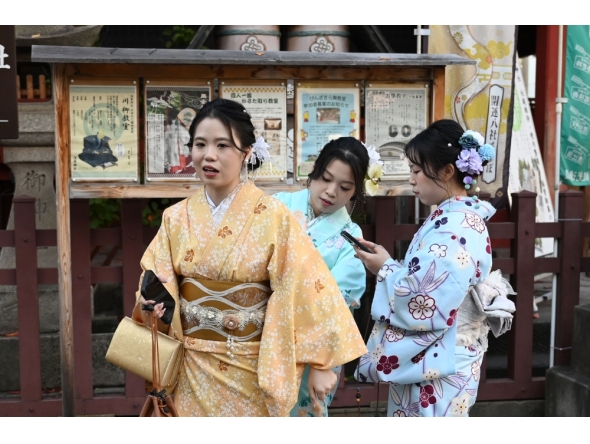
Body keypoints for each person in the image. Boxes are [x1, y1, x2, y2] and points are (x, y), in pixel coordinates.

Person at [133, 98, 367, 417]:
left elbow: (308, 287)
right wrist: (152, 305)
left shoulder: (274, 216)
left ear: (246, 153)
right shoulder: (176, 218)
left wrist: (322, 361)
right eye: (200, 144)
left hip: (250, 367)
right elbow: (154, 278)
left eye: (223, 145)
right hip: (190, 367)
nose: (209, 155)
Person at [353, 120, 514, 417]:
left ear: (447, 172)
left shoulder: (455, 226)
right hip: (443, 354)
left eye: (416, 170)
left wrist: (386, 268)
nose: (411, 179)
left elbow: (424, 298)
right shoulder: (457, 219)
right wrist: (389, 263)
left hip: (441, 361)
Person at [274, 137, 370, 416]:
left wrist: (322, 363)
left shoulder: (350, 239)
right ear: (314, 171)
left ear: (355, 191)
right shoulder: (277, 206)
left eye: (345, 187)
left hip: (312, 351)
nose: (330, 192)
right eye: (326, 179)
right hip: (260, 336)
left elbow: (339, 302)